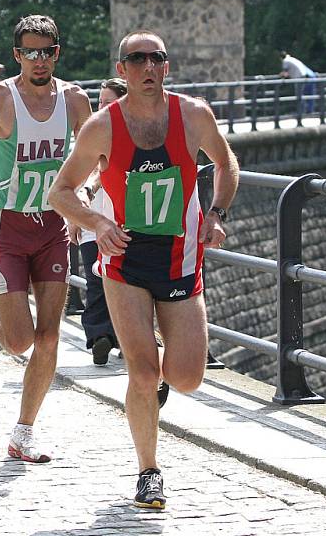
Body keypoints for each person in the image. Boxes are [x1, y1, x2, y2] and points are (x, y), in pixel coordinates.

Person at [49, 29, 239, 509]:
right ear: (122, 70)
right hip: (124, 262)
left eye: (157, 58)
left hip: (180, 261)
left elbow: (226, 161)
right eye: (137, 60)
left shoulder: (193, 115)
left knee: (188, 376)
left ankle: (159, 378)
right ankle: (148, 472)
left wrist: (216, 213)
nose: (148, 67)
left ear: (167, 66)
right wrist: (96, 222)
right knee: (140, 369)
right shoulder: (102, 126)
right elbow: (61, 191)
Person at [0, 15, 92, 463]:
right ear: (17, 55)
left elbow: (94, 154)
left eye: (47, 51)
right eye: (30, 52)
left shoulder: (74, 99)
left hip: (53, 226)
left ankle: (24, 431)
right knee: (18, 341)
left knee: (50, 335)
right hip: (9, 225)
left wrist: (84, 201)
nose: (39, 60)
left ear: (58, 52)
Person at [70, 78, 127, 365]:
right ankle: (103, 336)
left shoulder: (131, 134)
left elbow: (99, 171)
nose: (101, 107)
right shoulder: (93, 132)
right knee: (97, 281)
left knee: (118, 283)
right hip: (93, 221)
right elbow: (80, 174)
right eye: (100, 101)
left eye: (108, 101)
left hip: (121, 223)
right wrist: (73, 217)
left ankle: (111, 334)